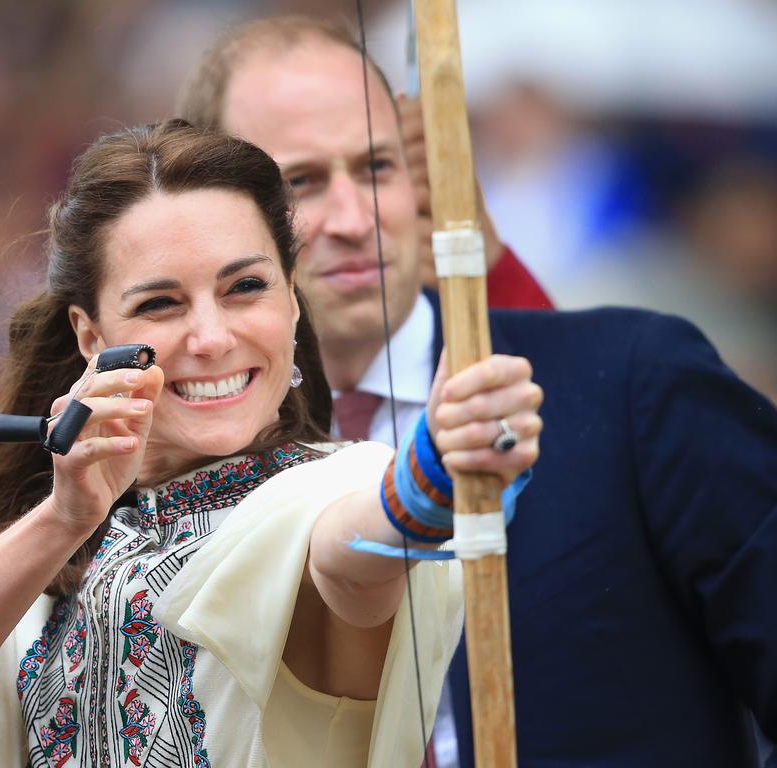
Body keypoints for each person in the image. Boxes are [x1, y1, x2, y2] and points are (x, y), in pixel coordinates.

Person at [0, 120, 542, 767]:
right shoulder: (58, 549)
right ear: (91, 338)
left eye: (245, 288)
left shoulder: (330, 490)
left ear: (292, 301)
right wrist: (64, 518)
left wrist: (430, 474)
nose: (210, 338)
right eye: (160, 304)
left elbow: (359, 550)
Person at [177, 16, 777, 768]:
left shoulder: (634, 381)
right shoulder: (188, 472)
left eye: (376, 168)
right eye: (299, 182)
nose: (355, 219)